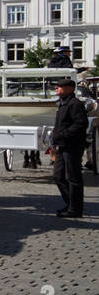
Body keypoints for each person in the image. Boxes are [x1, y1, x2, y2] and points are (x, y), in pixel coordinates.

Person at [50, 78, 87, 217]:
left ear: (70, 88)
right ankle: (71, 203)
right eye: (56, 87)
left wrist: (64, 134)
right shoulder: (63, 103)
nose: (56, 89)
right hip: (61, 145)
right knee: (58, 176)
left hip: (72, 146)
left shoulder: (75, 104)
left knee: (73, 177)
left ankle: (75, 209)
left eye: (59, 87)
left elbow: (81, 124)